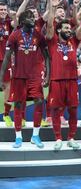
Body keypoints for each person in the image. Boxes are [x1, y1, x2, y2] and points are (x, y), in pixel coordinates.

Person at [0, 9, 50, 148]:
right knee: (18, 104)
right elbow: (6, 58)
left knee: (39, 101)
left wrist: (48, 76)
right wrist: (0, 78)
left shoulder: (39, 36)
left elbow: (47, 57)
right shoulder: (14, 35)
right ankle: (18, 137)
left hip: (34, 76)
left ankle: (35, 135)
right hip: (19, 76)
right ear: (22, 21)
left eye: (33, 17)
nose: (33, 19)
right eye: (29, 17)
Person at [45, 0, 81, 151]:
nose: (69, 30)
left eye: (70, 28)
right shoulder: (52, 41)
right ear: (59, 30)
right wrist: (53, 5)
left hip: (72, 81)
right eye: (66, 29)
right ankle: (58, 138)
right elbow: (49, 25)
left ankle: (71, 138)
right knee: (55, 110)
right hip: (56, 80)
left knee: (74, 110)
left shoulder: (74, 41)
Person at [0, 2, 14, 127]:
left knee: (8, 87)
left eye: (4, 9)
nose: (3, 11)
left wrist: (12, 14)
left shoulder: (8, 23)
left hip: (5, 60)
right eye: (1, 10)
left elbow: (17, 20)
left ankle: (6, 115)